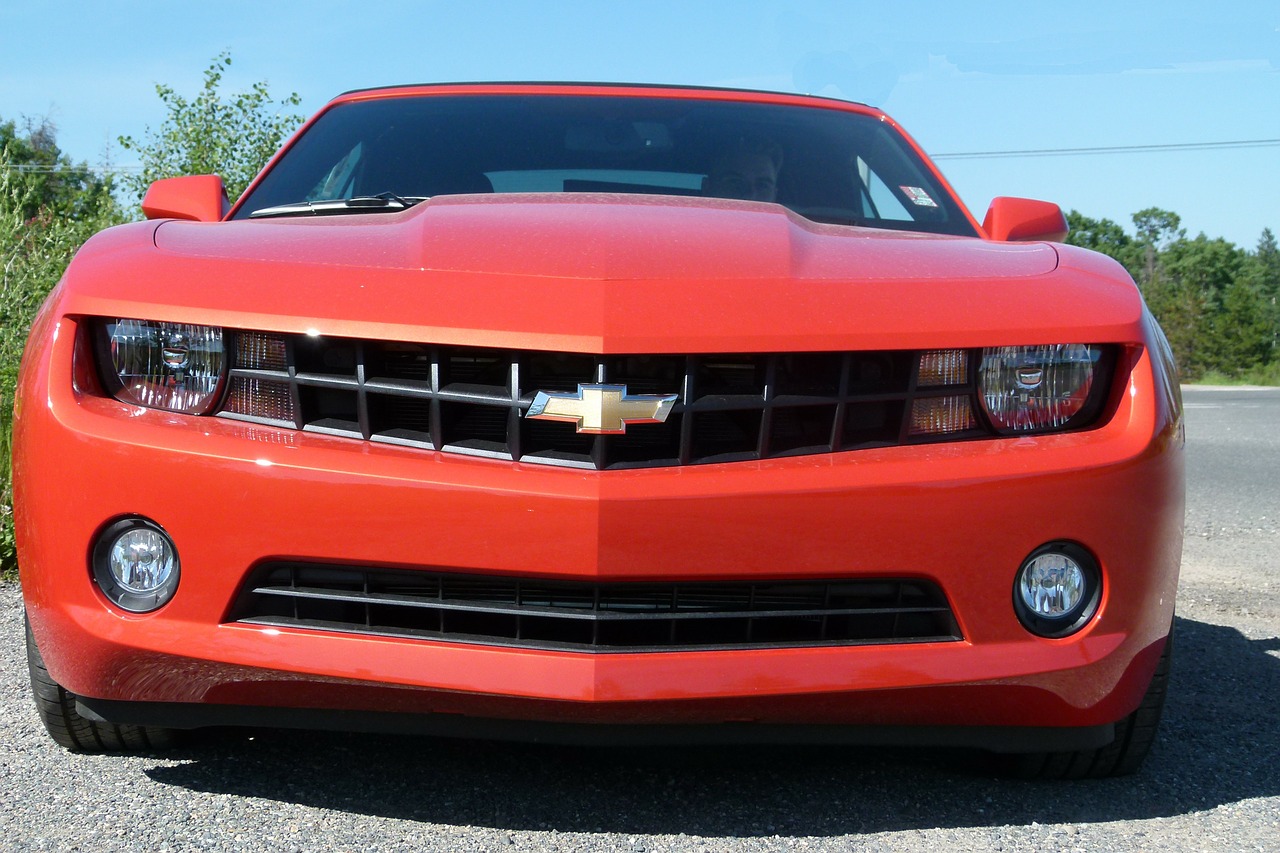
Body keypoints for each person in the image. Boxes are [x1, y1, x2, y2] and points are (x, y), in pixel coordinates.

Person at [703, 138, 783, 203]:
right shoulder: (691, 222)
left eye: (763, 185)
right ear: (707, 188)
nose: (750, 195)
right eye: (735, 181)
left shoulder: (791, 223)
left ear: (774, 195)